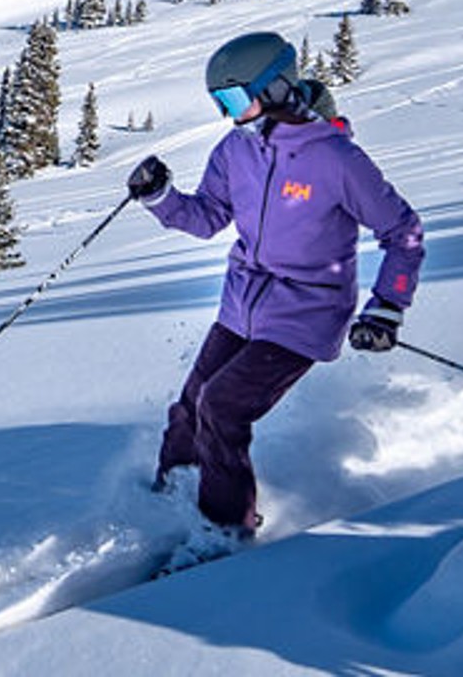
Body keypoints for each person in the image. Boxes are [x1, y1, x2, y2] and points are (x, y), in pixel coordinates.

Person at [126, 31, 425, 537]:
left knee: (220, 408)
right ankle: (168, 505)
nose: (229, 114)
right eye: (221, 102)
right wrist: (161, 198)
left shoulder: (335, 160)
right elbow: (208, 218)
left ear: (279, 87)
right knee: (190, 408)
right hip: (242, 302)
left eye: (236, 99)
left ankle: (222, 534)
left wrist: (387, 306)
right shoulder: (234, 151)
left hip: (307, 313)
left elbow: (403, 232)